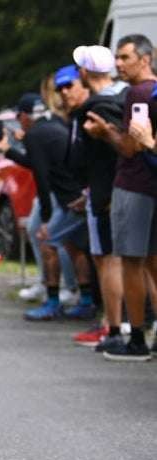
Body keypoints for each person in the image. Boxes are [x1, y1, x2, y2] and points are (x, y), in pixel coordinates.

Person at [83, 34, 157, 361]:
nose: (119, 64)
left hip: (134, 185)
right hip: (152, 187)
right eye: (118, 58)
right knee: (153, 263)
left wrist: (105, 132)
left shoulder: (137, 94)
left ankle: (136, 338)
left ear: (145, 59)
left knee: (130, 262)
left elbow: (132, 146)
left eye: (126, 57)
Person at [0, 91, 89, 321]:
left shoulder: (35, 134)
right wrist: (9, 150)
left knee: (47, 242)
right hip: (78, 194)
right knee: (74, 245)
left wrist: (46, 217)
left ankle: (54, 300)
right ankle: (85, 299)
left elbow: (42, 178)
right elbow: (38, 163)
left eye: (19, 116)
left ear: (25, 116)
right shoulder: (53, 124)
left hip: (70, 199)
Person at [67, 48, 128, 347]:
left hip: (103, 190)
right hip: (124, 187)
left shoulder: (94, 107)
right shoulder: (126, 97)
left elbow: (81, 157)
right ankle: (131, 321)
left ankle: (112, 324)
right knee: (130, 259)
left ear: (84, 72)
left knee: (107, 260)